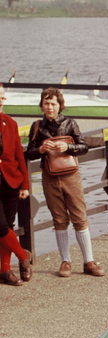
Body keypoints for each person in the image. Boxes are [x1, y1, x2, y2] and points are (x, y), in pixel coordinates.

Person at [25, 87, 104, 278]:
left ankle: (88, 261)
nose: (49, 107)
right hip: (49, 177)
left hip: (71, 175)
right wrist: (42, 149)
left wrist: (68, 147)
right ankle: (65, 261)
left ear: (60, 105)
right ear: (41, 105)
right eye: (46, 103)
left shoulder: (70, 123)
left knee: (79, 216)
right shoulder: (37, 126)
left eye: (53, 103)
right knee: (59, 219)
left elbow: (84, 146)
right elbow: (28, 153)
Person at [0, 85, 32, 286]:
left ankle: (4, 271)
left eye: (2, 97)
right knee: (1, 227)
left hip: (11, 181)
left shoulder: (10, 123)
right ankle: (23, 255)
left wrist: (25, 185)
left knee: (8, 226)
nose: (0, 100)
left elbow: (19, 156)